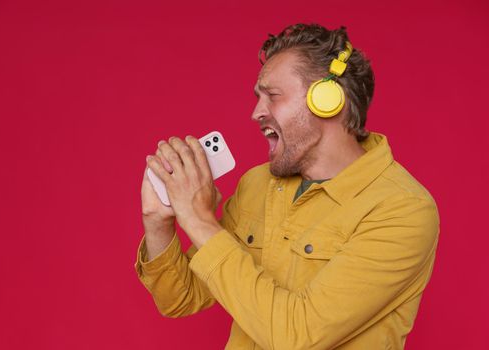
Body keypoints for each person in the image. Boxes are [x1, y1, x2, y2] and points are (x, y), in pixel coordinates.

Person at [135, 23, 440, 350]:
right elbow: (180, 298)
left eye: (272, 96)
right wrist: (159, 223)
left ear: (327, 99)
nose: (256, 113)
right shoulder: (257, 184)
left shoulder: (402, 209)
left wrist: (198, 219)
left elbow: (296, 336)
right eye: (258, 97)